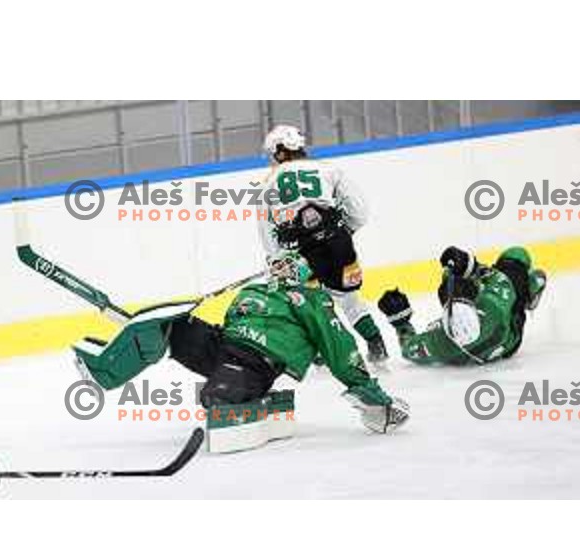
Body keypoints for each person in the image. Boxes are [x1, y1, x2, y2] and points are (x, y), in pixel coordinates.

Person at [74, 252, 409, 453]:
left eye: (286, 268)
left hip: (255, 363)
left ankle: (230, 392)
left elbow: (339, 347)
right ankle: (105, 370)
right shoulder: (253, 292)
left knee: (216, 398)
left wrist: (372, 396)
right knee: (170, 327)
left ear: (302, 274)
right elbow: (229, 325)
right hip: (223, 347)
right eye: (276, 267)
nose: (279, 272)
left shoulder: (312, 299)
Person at [257, 124, 387, 364]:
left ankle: (321, 356)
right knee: (349, 300)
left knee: (311, 305)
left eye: (273, 154)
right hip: (339, 246)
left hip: (300, 254)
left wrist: (276, 258)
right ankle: (376, 344)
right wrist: (343, 231)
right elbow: (359, 211)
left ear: (280, 151)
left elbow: (267, 227)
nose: (272, 159)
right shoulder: (330, 170)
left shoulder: (269, 182)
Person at [377, 246, 547, 366]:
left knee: (516, 277)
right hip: (509, 336)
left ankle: (529, 289)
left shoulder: (441, 342)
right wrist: (467, 264)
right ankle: (529, 292)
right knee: (517, 258)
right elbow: (496, 279)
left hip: (492, 345)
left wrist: (401, 322)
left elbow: (409, 349)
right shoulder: (494, 300)